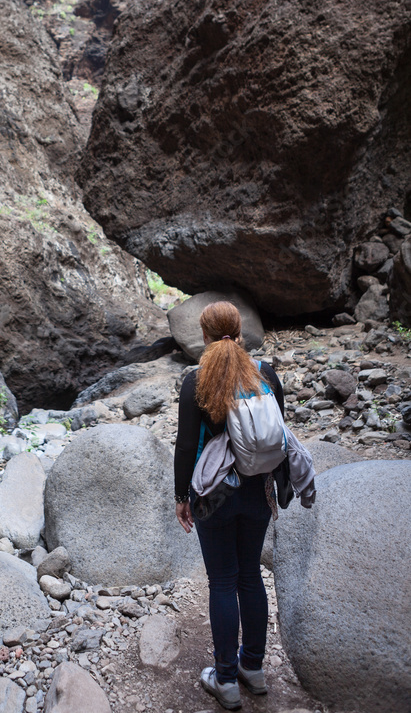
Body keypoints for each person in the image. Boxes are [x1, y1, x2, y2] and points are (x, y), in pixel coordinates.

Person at [174, 301, 284, 711]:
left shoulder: (196, 381)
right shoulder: (265, 374)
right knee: (250, 576)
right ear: (240, 332)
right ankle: (252, 668)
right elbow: (278, 433)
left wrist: (181, 497)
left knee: (222, 582)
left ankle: (224, 679)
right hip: (258, 490)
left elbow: (186, 446)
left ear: (203, 336)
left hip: (214, 495)